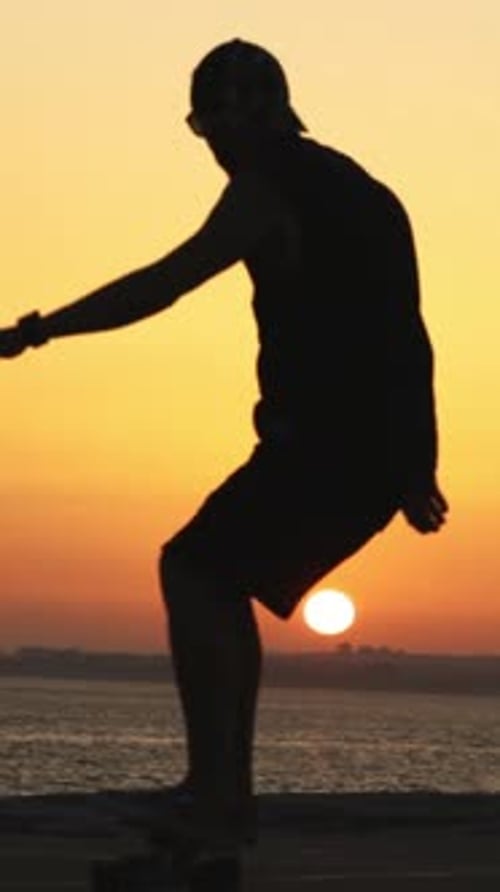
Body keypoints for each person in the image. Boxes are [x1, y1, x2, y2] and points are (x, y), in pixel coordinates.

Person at [1, 39, 448, 856]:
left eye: (209, 131)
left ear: (224, 126)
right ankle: (222, 787)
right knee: (215, 571)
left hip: (326, 449)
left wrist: (39, 332)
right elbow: (411, 338)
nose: (211, 150)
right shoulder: (369, 192)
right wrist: (417, 462)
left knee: (196, 569)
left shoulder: (263, 189)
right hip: (366, 452)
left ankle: (218, 795)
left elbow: (162, 283)